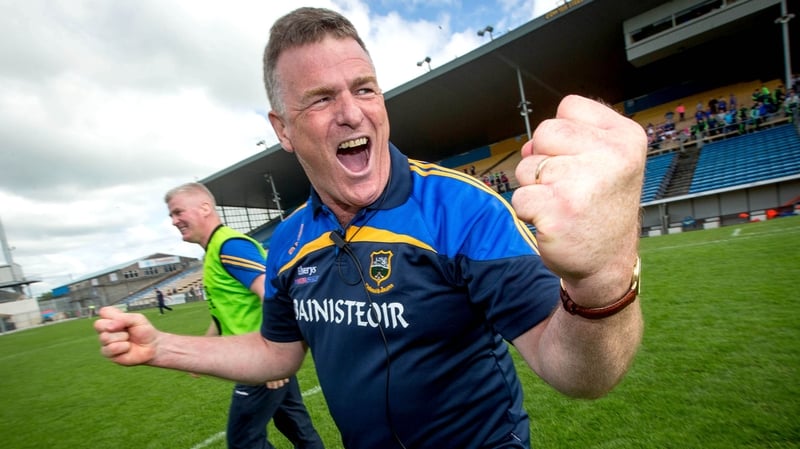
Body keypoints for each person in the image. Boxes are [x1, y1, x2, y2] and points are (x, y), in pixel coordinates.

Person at [95, 7, 644, 449]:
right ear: (282, 129)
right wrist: (161, 347)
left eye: (364, 88)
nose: (352, 113)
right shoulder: (287, 242)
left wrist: (603, 278)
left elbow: (578, 373)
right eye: (320, 98)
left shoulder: (461, 209)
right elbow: (276, 353)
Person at [164, 182, 324, 449]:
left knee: (243, 441)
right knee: (297, 430)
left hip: (259, 359)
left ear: (205, 208)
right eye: (171, 215)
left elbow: (273, 293)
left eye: (178, 212)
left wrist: (273, 357)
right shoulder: (215, 250)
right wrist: (200, 356)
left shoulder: (230, 245)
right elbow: (221, 316)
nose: (174, 221)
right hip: (261, 357)